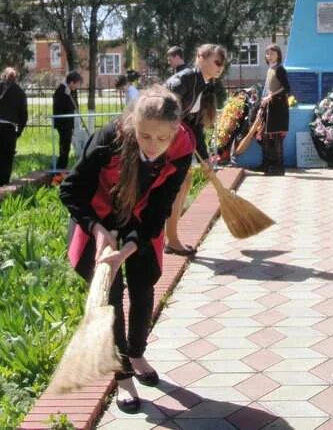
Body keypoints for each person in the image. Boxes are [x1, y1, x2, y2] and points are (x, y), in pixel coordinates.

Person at [59, 86, 194, 414]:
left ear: (175, 131)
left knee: (144, 284)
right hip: (97, 216)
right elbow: (71, 190)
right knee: (110, 296)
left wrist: (130, 246)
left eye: (163, 139)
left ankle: (136, 351)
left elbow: (160, 206)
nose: (153, 146)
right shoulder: (110, 139)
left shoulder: (182, 146)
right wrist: (98, 230)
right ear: (133, 124)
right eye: (145, 136)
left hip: (142, 220)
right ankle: (122, 377)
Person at [163, 43, 227, 255]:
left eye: (223, 64)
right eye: (217, 62)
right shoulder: (188, 78)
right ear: (201, 57)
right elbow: (162, 100)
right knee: (179, 183)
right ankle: (171, 240)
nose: (220, 67)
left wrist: (205, 159)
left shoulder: (203, 85)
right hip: (162, 140)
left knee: (186, 180)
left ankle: (170, 237)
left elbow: (195, 126)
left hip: (173, 140)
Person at [255, 44, 291, 176]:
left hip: (278, 107)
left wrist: (271, 96)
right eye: (267, 53)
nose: (269, 56)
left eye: (272, 53)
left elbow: (286, 88)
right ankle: (266, 165)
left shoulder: (280, 69)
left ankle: (280, 168)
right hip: (269, 106)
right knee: (265, 137)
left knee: (276, 137)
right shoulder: (270, 69)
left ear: (278, 54)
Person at [53, 71, 82, 170]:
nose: (77, 87)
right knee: (64, 148)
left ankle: (62, 168)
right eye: (77, 84)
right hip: (63, 124)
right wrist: (67, 96)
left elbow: (74, 105)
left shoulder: (70, 90)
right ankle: (60, 170)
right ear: (71, 83)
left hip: (68, 123)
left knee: (66, 147)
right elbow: (60, 108)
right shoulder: (61, 90)